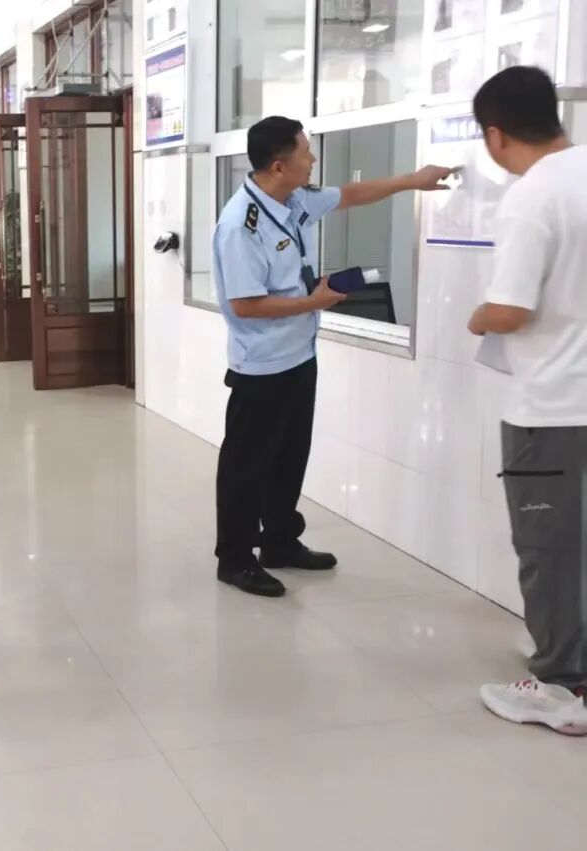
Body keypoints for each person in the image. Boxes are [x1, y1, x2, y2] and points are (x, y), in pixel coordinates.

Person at [213, 116, 453, 598]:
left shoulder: (294, 199)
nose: (313, 158)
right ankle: (235, 559)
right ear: (278, 165)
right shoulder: (241, 225)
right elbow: (245, 304)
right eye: (305, 152)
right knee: (247, 464)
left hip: (299, 356)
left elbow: (350, 195)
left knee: (289, 457)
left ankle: (280, 542)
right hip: (261, 365)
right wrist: (313, 301)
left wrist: (414, 180)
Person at [468, 66, 587, 735]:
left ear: (496, 134)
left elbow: (511, 309)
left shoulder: (532, 196)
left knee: (546, 545)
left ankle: (560, 686)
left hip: (552, 407)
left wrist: (477, 315)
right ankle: (570, 651)